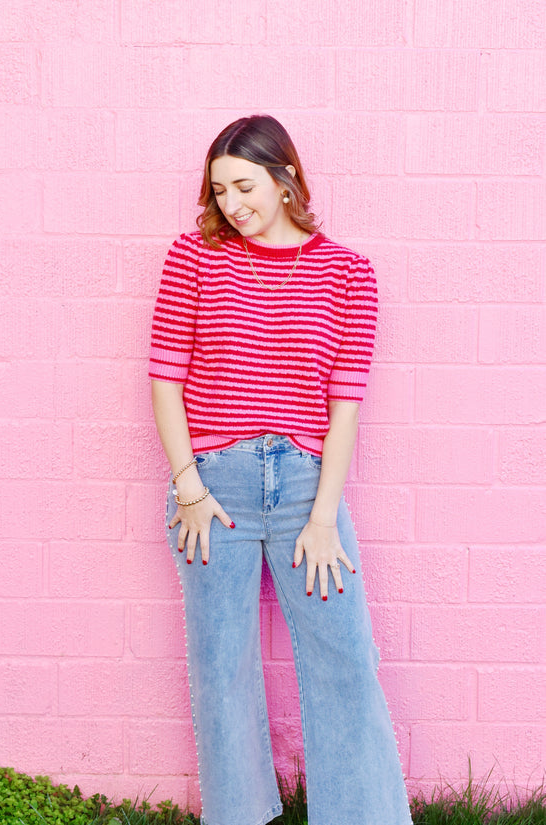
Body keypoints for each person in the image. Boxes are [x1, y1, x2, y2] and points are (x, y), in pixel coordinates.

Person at [149, 114, 412, 825]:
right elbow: (166, 380)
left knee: (346, 661)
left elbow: (344, 406)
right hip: (214, 488)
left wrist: (324, 516)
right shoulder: (192, 257)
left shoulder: (349, 272)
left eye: (244, 185)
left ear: (285, 176)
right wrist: (188, 484)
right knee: (221, 667)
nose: (232, 204)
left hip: (304, 484)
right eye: (219, 189)